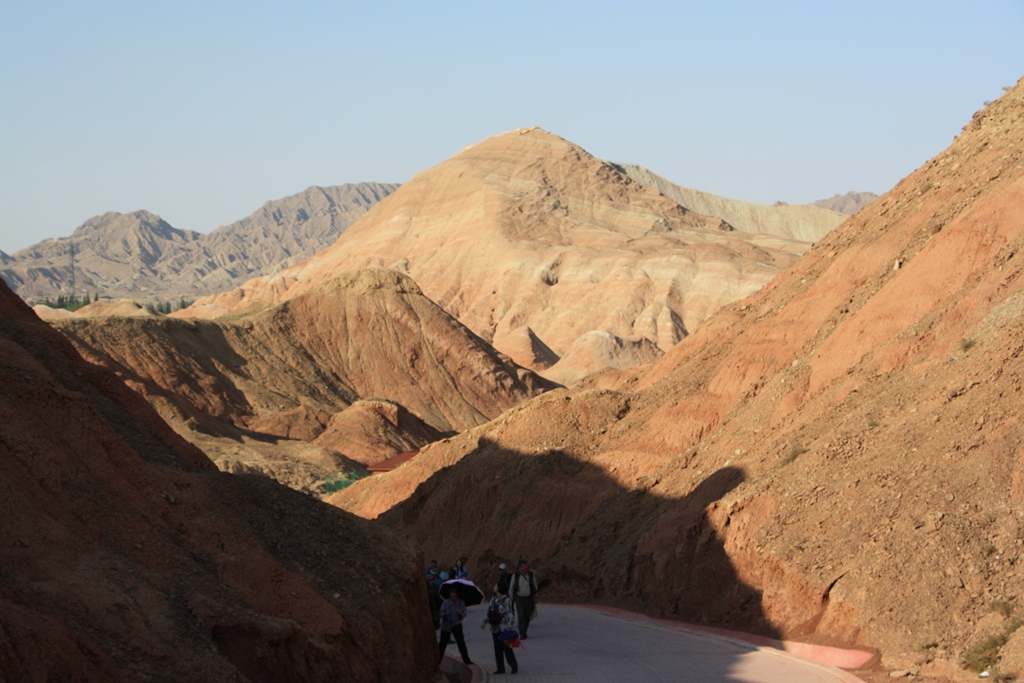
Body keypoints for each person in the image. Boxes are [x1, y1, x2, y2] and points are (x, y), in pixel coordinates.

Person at [481, 582, 518, 674]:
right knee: (497, 650)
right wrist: (485, 622)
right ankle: (500, 668)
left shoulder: (506, 600)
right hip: (495, 628)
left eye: (496, 586)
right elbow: (489, 612)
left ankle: (514, 666)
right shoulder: (493, 599)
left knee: (507, 649)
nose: (494, 587)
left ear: (499, 588)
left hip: (504, 628)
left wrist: (509, 626)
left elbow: (510, 613)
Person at [437, 587, 472, 664]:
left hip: (457, 625)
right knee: (442, 645)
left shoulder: (461, 603)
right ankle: (438, 661)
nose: (453, 598)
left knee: (461, 643)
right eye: (451, 596)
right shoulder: (446, 603)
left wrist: (461, 614)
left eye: (454, 596)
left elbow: (464, 613)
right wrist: (445, 614)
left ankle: (466, 660)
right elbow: (441, 613)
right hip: (446, 626)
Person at [508, 559, 539, 639]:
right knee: (521, 615)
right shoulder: (516, 575)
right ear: (520, 568)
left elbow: (535, 585)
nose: (525, 569)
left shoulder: (531, 575)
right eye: (523, 567)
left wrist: (536, 596)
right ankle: (522, 633)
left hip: (529, 598)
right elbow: (511, 587)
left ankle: (524, 630)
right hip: (519, 599)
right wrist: (511, 598)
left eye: (526, 566)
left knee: (527, 615)